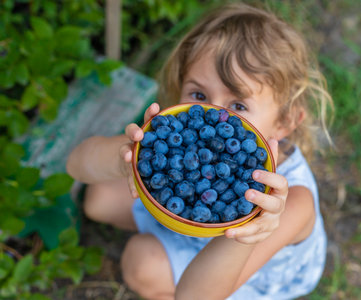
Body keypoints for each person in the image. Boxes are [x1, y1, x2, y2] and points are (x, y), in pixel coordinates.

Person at [66, 2, 333, 299]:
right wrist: (124, 159)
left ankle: (167, 263)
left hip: (238, 271)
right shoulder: (175, 149)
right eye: (199, 95)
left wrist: (253, 225)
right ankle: (178, 230)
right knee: (98, 199)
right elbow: (75, 165)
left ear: (284, 121)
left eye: (238, 106)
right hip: (191, 210)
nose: (214, 115)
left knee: (141, 262)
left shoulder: (290, 203)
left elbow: (195, 295)